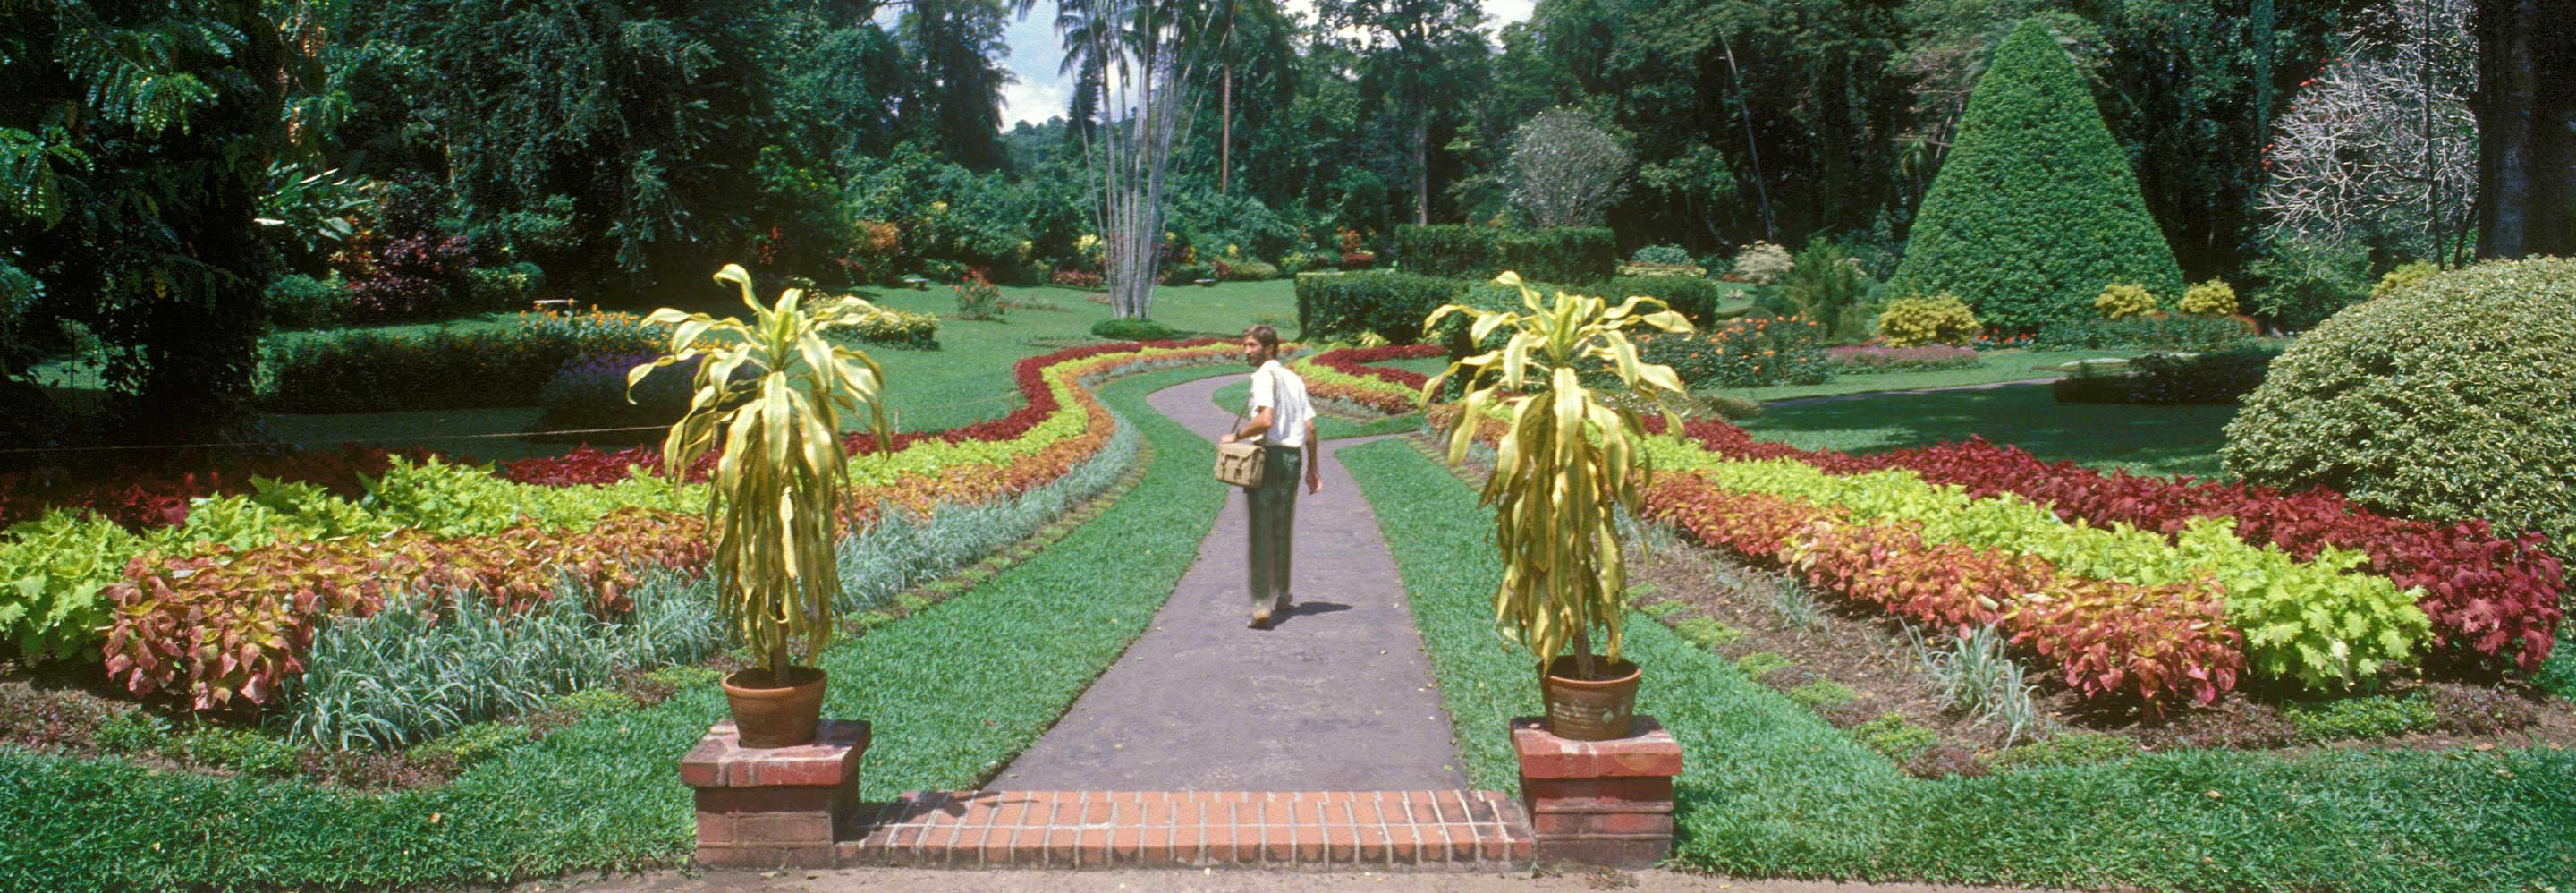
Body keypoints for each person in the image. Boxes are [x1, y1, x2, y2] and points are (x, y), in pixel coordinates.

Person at [1216, 325, 1320, 629]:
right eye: (1245, 345)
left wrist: (1235, 435)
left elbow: (1265, 420)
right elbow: (1310, 428)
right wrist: (1313, 469)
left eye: (1251, 346)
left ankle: (1262, 605)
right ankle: (1284, 593)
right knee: (1282, 523)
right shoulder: (1294, 379)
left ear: (1270, 348)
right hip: (1293, 458)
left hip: (1268, 458)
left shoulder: (1264, 376)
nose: (1246, 351)